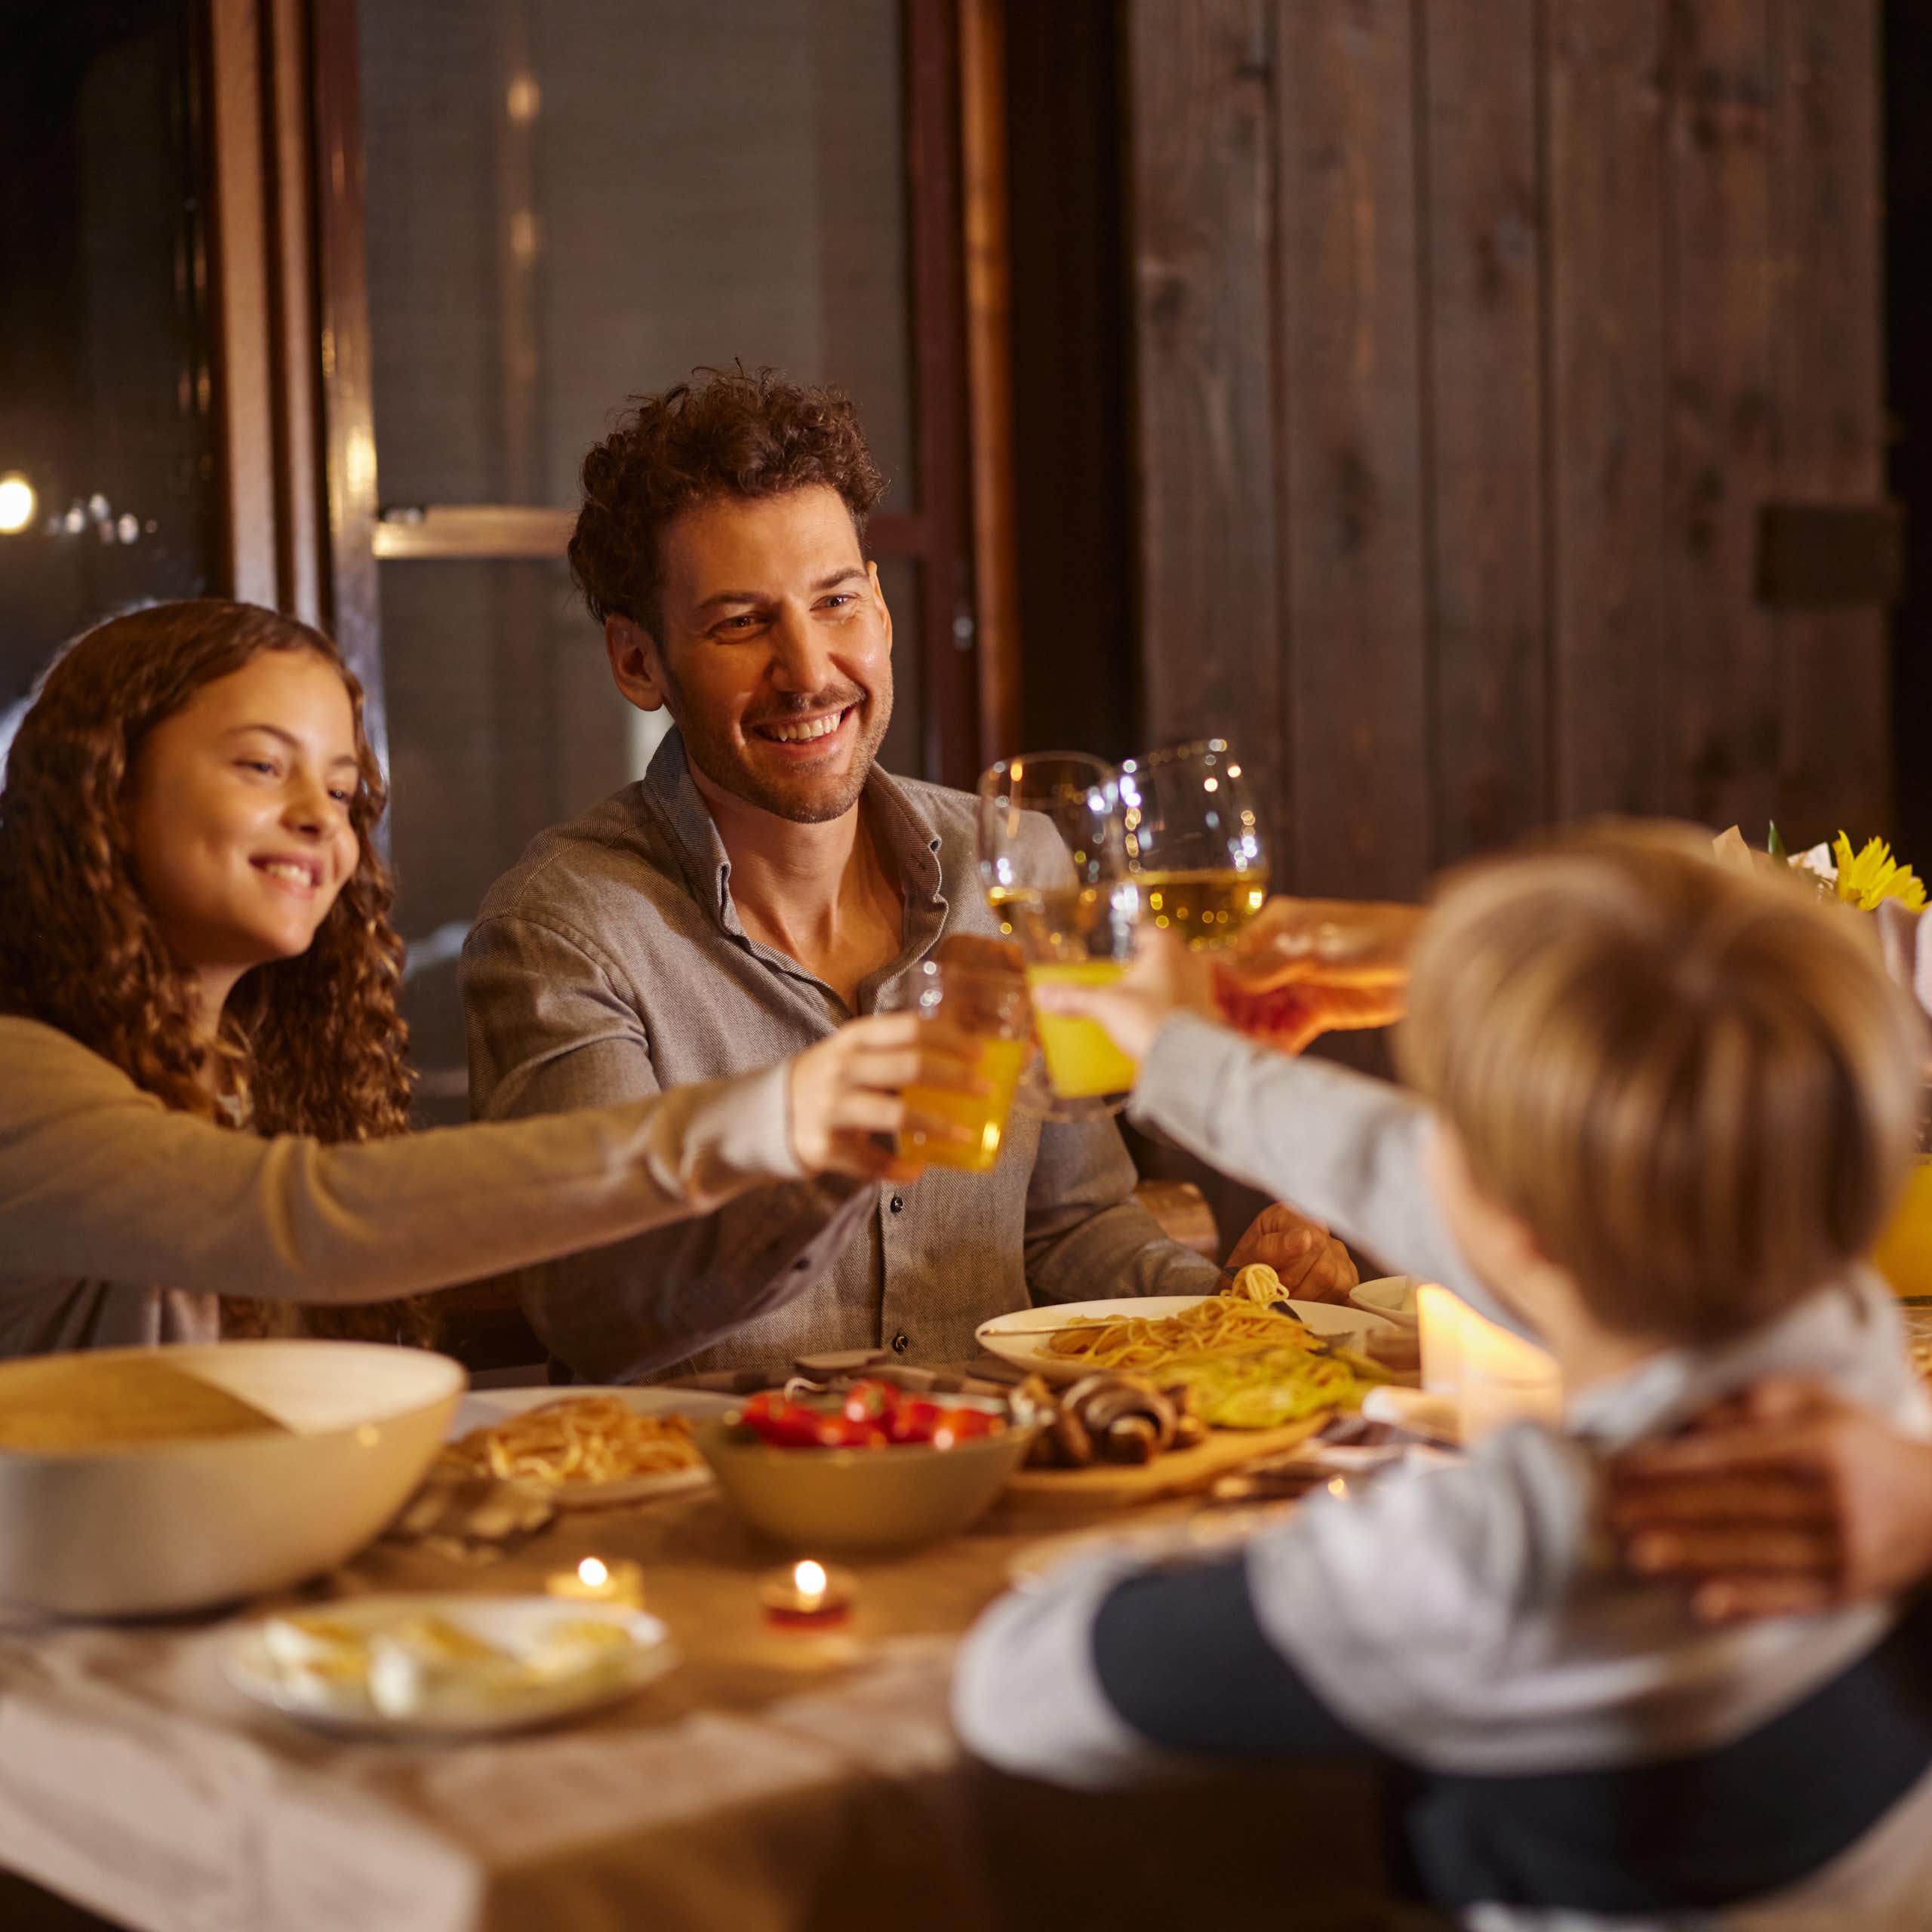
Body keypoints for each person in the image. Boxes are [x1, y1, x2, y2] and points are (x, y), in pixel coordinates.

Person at [955, 825, 1932, 1927]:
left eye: (1447, 1126)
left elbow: (1016, 1690)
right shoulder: (1856, 1350)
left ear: (1521, 1229)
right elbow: (1444, 1185)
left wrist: (1200, 1553)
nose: (1424, 1154)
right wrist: (1184, 1059)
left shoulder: (1502, 1554)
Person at [460, 367, 1351, 1383]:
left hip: (998, 1464)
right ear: (637, 662)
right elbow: (596, 1307)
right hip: (712, 1478)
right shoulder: (564, 929)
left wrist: (1232, 1308)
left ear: (880, 610)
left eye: (835, 601)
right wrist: (835, 1166)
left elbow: (1069, 1228)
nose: (808, 670)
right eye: (741, 622)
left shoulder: (1013, 868)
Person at [0, 599, 983, 1359]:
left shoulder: (249, 1076)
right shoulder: (19, 1081)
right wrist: (771, 1115)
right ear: (107, 786)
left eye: (342, 790)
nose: (321, 818)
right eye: (262, 767)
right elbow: (305, 1217)